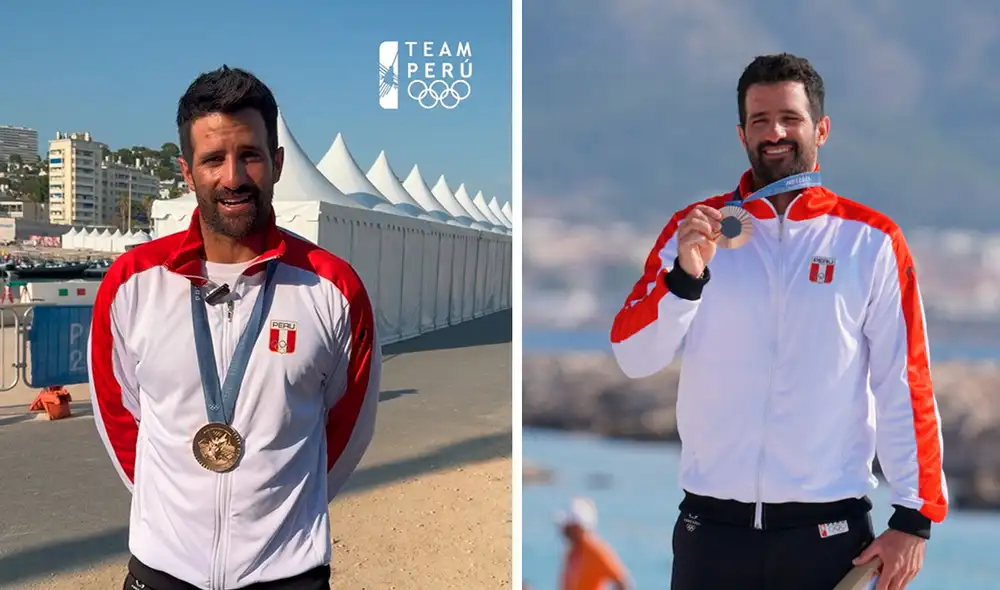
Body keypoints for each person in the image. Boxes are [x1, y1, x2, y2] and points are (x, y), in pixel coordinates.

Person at [609, 53, 948, 590]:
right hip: (710, 533)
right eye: (761, 120)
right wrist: (684, 280)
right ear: (741, 132)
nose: (776, 133)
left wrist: (915, 516)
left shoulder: (871, 239)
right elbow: (632, 355)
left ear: (821, 128)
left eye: (790, 118)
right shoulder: (694, 228)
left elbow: (905, 380)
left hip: (829, 538)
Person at [88, 65, 382, 590]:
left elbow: (347, 430)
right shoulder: (130, 284)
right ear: (186, 171)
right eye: (212, 160)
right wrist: (179, 514)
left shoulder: (333, 288)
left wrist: (277, 516)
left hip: (286, 575)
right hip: (164, 574)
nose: (233, 177)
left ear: (277, 162)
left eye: (249, 155)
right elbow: (119, 419)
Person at [557, 497, 630, 590]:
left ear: (577, 528)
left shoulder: (595, 550)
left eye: (567, 527)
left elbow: (622, 582)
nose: (563, 531)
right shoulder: (573, 552)